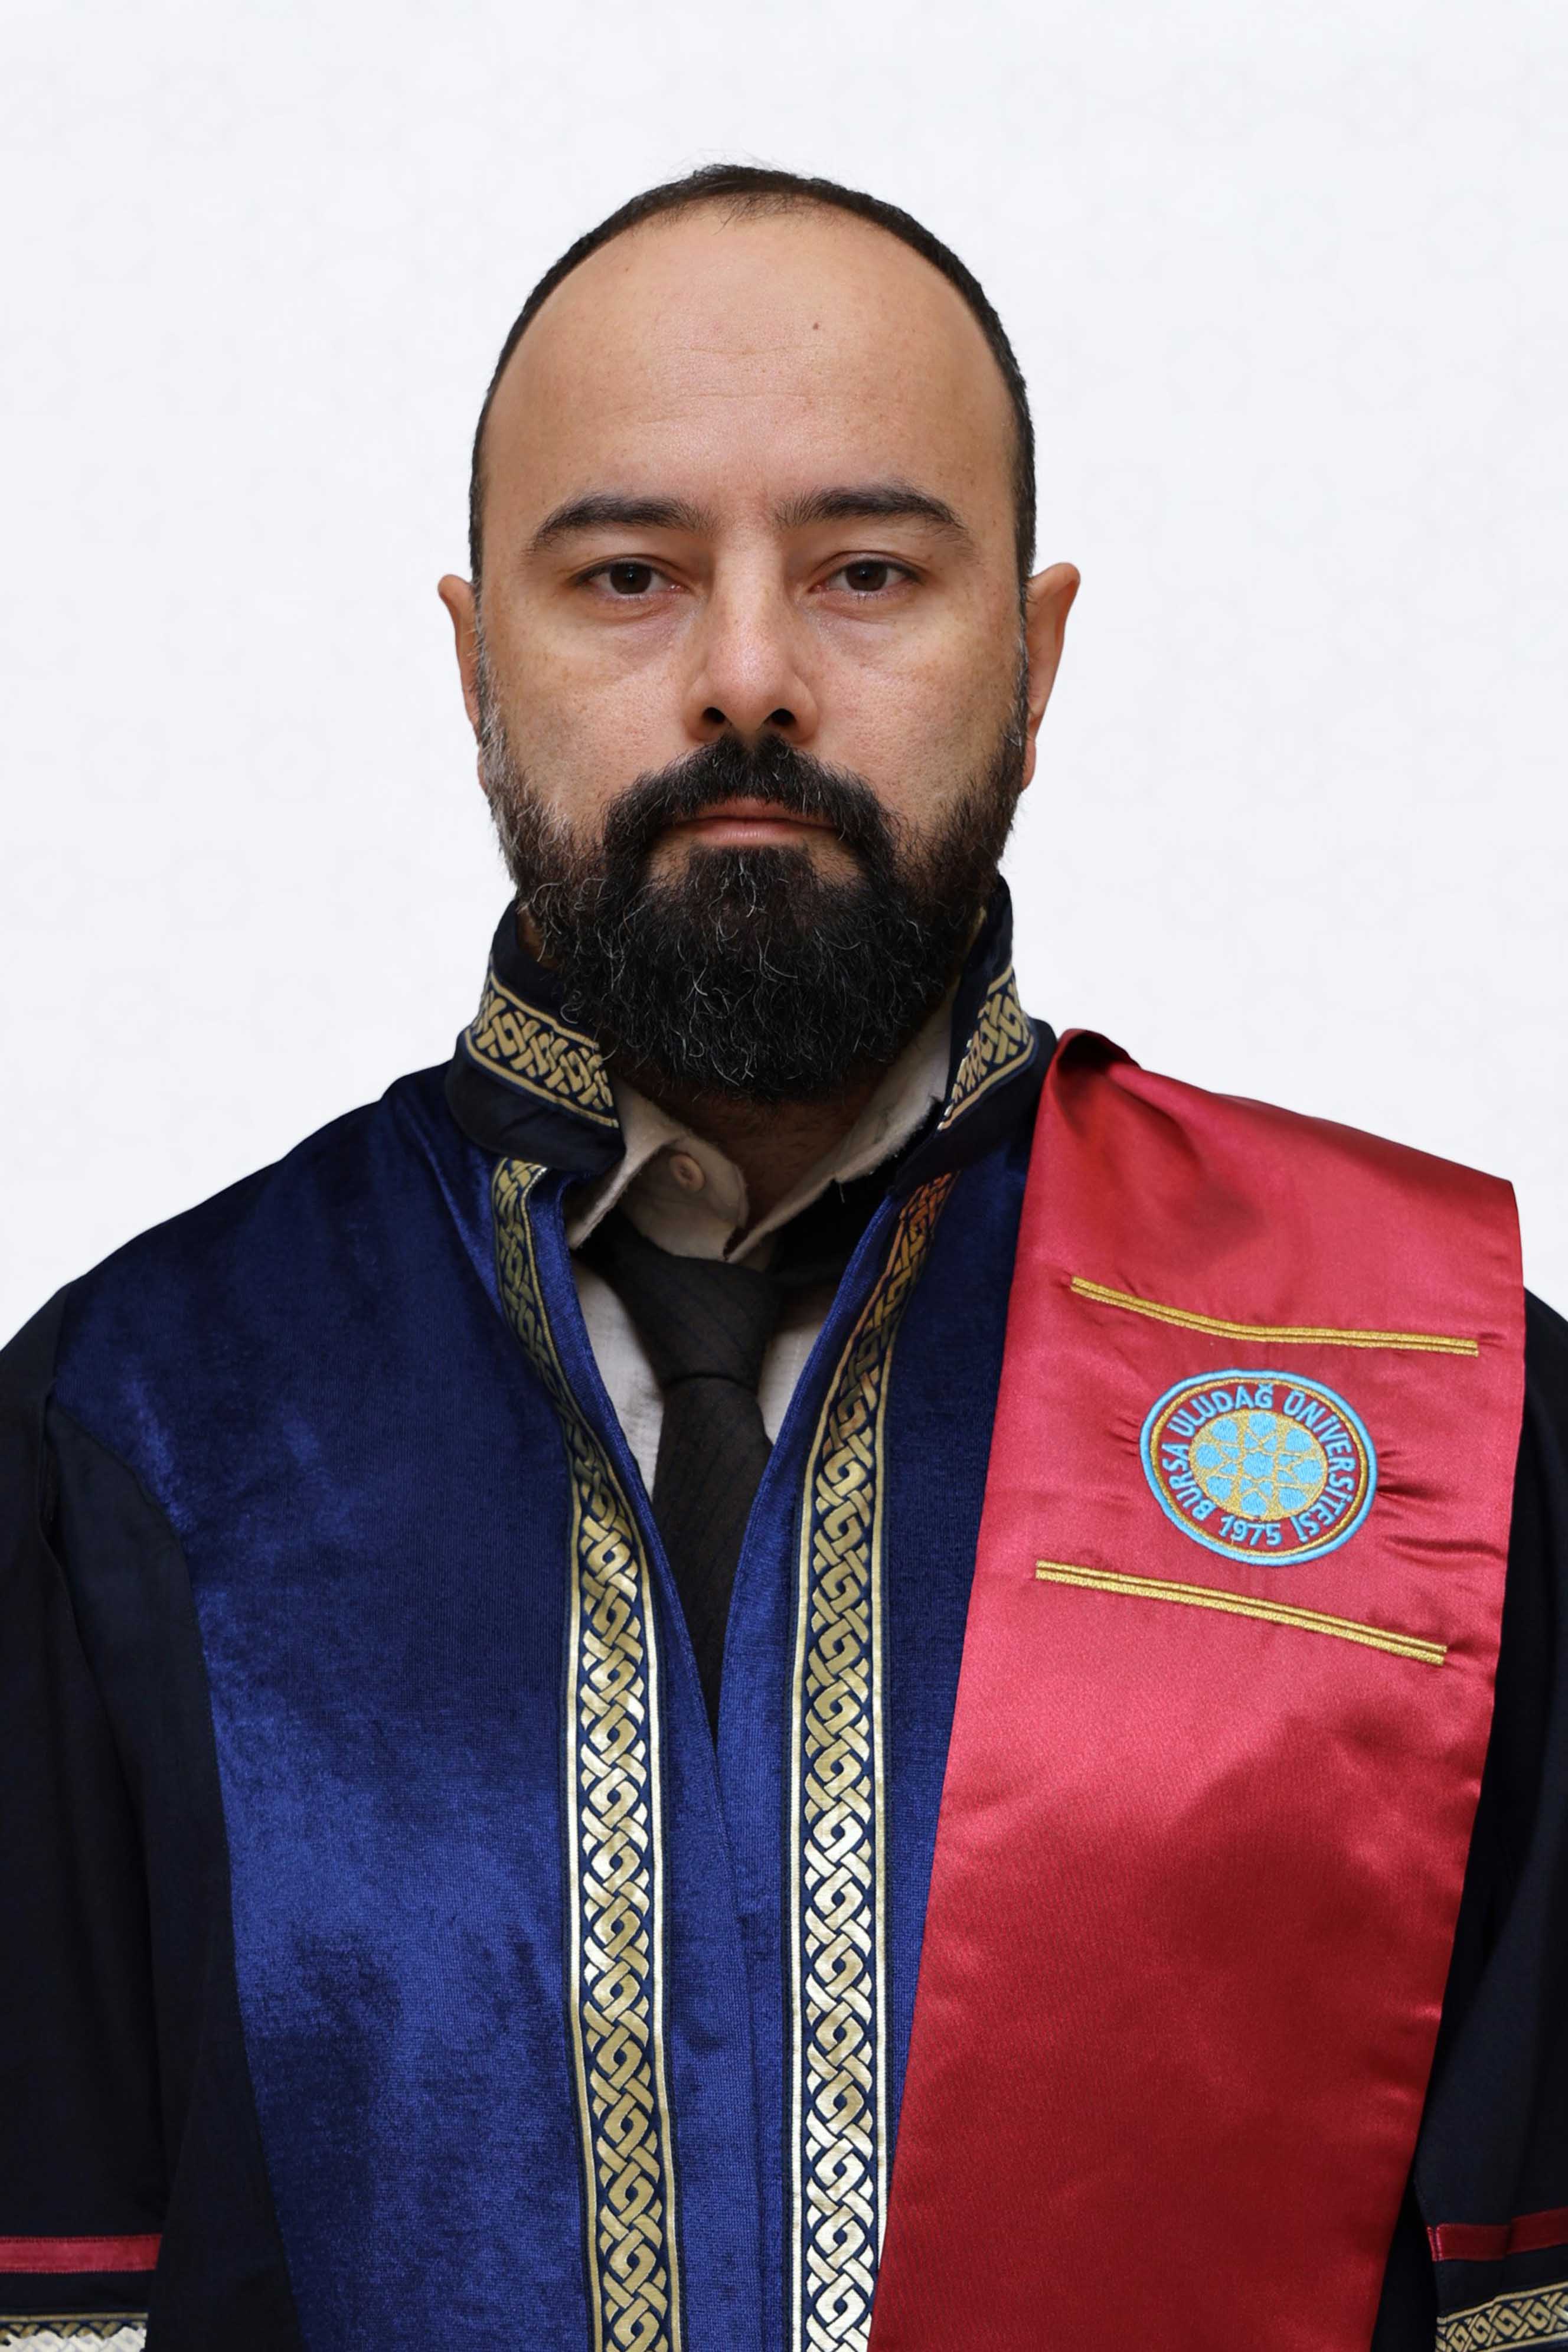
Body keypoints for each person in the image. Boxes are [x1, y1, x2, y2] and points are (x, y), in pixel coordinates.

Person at [1, 164, 1563, 2352]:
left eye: (867, 571)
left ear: (1035, 658)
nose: (749, 679)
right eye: (629, 575)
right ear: (475, 661)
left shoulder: (1439, 1408)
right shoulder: (139, 1429)